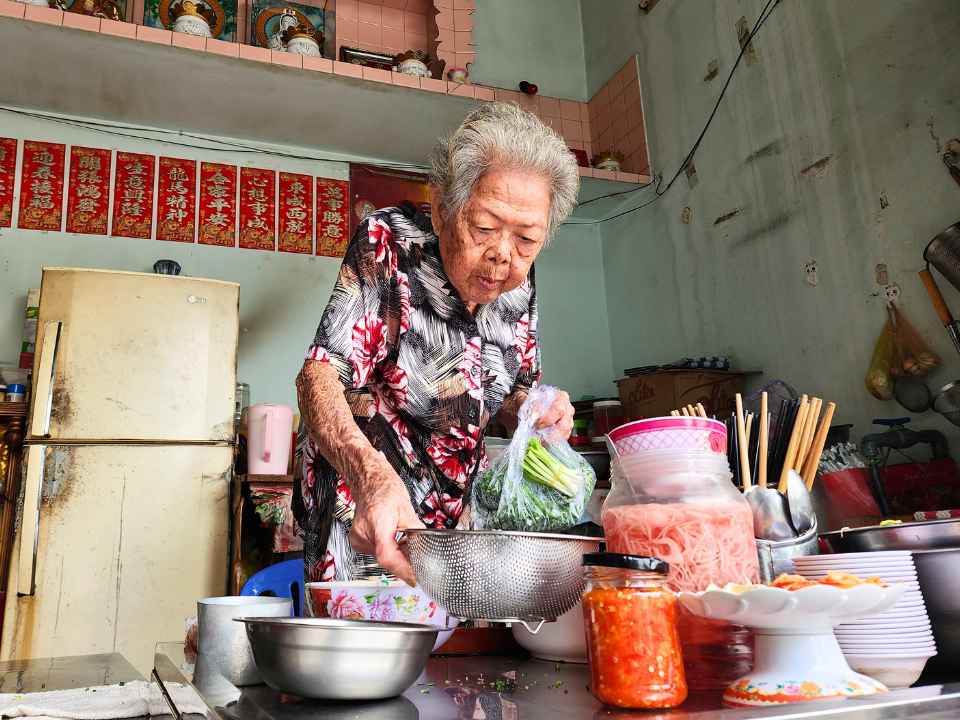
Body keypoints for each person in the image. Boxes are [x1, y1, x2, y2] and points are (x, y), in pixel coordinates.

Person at [293, 102, 581, 595]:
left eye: (527, 238)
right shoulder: (390, 244)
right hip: (369, 511)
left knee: (455, 643)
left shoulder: (518, 282)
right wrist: (371, 477)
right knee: (375, 637)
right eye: (484, 228)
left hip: (456, 526)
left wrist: (536, 409)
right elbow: (319, 376)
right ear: (444, 206)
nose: (502, 256)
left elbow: (512, 390)